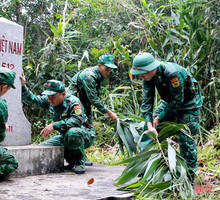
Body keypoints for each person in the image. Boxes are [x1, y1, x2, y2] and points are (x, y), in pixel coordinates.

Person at [130, 52, 202, 184]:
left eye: (142, 73)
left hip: (188, 104)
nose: (141, 76)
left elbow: (178, 102)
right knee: (148, 131)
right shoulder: (147, 78)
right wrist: (150, 123)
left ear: (152, 68)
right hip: (168, 102)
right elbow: (147, 103)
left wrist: (159, 117)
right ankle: (149, 169)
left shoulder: (172, 74)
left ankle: (188, 180)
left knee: (186, 140)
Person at [20, 72, 95, 174]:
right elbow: (33, 100)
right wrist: (23, 86)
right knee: (43, 148)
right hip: (65, 136)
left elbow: (76, 120)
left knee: (73, 133)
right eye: (48, 96)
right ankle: (72, 159)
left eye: (53, 96)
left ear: (63, 94)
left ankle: (79, 161)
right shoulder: (49, 101)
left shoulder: (73, 102)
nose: (50, 99)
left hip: (84, 135)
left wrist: (54, 125)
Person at [67, 54, 118, 123]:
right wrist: (109, 112)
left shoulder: (100, 75)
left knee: (88, 125)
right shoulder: (89, 76)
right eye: (106, 69)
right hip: (74, 101)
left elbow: (96, 94)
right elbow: (93, 98)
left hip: (85, 101)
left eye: (110, 70)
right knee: (78, 124)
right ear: (99, 65)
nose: (108, 72)